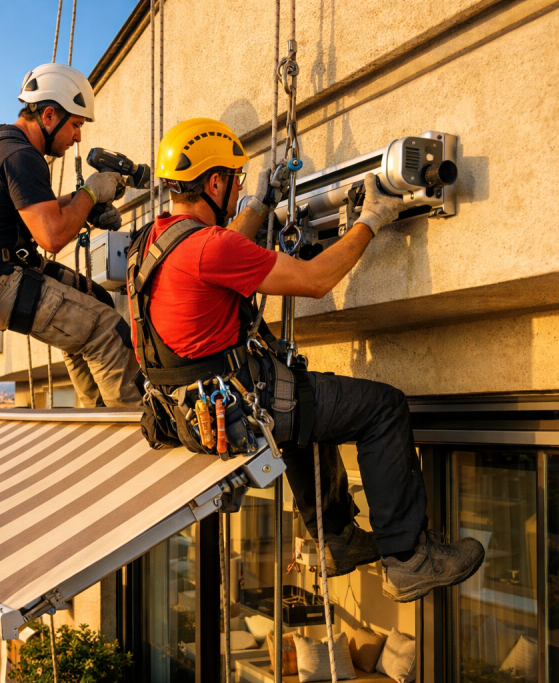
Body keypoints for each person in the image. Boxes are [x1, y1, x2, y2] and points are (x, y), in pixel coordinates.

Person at [127, 118, 484, 602]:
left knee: (301, 412)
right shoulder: (213, 248)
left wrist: (257, 205)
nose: (235, 194)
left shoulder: (151, 244)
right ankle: (409, 559)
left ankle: (335, 537)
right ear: (213, 182)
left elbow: (223, 249)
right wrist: (369, 220)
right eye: (233, 183)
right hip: (243, 404)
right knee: (382, 407)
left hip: (197, 409)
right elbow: (315, 280)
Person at [0, 63, 141, 408]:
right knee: (105, 330)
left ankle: (96, 415)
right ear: (48, 115)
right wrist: (89, 192)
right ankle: (135, 432)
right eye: (76, 125)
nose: (78, 137)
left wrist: (81, 205)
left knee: (95, 302)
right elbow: (52, 236)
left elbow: (36, 211)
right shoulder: (21, 156)